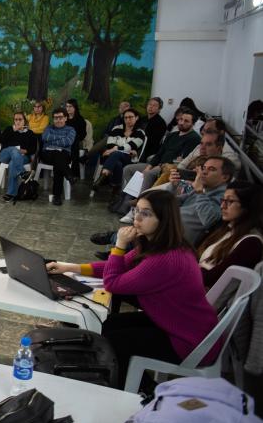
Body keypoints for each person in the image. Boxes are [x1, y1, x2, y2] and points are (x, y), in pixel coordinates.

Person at [47, 190, 219, 389]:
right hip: (174, 322)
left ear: (164, 219)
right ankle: (118, 380)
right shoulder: (157, 244)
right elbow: (116, 267)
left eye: (146, 213)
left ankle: (147, 394)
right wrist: (69, 267)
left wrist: (119, 245)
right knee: (109, 324)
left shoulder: (166, 259)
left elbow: (113, 282)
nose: (137, 218)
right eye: (137, 210)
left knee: (113, 343)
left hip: (187, 340)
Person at [198, 181, 263, 288]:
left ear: (246, 206)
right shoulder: (226, 229)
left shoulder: (251, 243)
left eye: (229, 201)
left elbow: (214, 279)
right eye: (223, 200)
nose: (222, 206)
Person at [91, 107, 145, 195]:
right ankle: (115, 187)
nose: (128, 120)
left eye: (130, 117)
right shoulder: (117, 128)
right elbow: (110, 143)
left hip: (129, 159)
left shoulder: (140, 132)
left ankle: (103, 177)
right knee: (118, 164)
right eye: (126, 117)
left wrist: (116, 149)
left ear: (136, 118)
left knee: (116, 153)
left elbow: (133, 145)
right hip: (113, 157)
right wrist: (118, 149)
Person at [39, 107, 76, 206]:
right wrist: (61, 138)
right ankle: (69, 175)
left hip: (63, 154)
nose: (58, 120)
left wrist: (52, 141)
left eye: (60, 117)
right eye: (55, 118)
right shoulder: (48, 128)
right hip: (47, 154)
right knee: (58, 157)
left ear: (65, 118)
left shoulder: (71, 129)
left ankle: (57, 196)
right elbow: (45, 137)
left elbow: (68, 141)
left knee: (58, 161)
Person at [0, 111, 38, 202]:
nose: (18, 122)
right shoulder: (9, 129)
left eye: (20, 119)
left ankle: (11, 194)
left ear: (24, 121)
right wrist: (14, 130)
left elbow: (33, 148)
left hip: (22, 157)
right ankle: (22, 173)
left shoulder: (30, 133)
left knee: (13, 164)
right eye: (16, 120)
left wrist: (26, 150)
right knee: (13, 149)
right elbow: (1, 140)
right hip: (5, 155)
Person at [65, 99, 88, 178]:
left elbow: (83, 134)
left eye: (70, 106)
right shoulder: (64, 118)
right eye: (67, 106)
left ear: (75, 108)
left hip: (76, 141)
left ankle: (73, 172)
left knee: (74, 141)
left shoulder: (80, 120)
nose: (68, 108)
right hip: (63, 140)